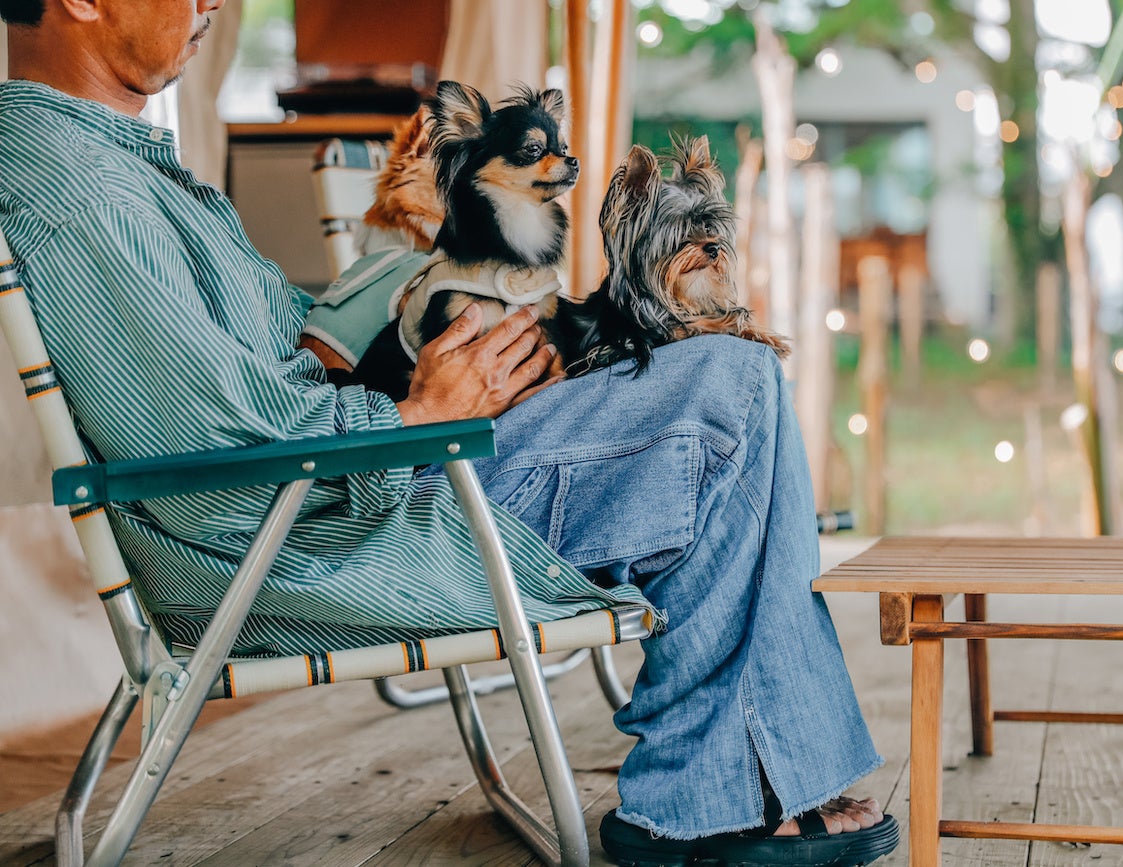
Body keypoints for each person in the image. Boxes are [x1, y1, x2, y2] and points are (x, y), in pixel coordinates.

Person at [0, 2, 898, 864]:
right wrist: (420, 415)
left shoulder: (118, 165)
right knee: (730, 390)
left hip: (364, 483)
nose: (211, 1)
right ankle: (708, 800)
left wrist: (447, 360)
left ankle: (722, 788)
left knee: (724, 374)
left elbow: (279, 364)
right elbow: (222, 469)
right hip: (322, 545)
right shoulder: (79, 192)